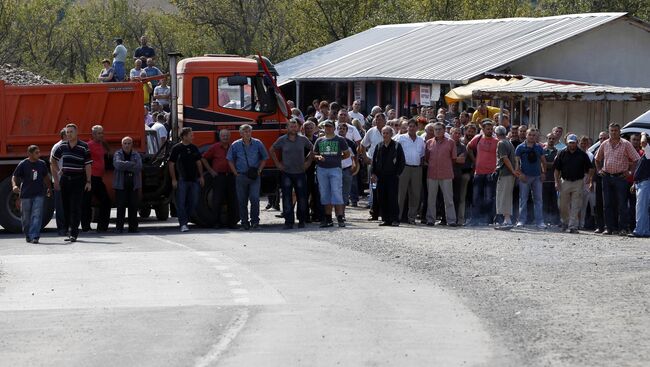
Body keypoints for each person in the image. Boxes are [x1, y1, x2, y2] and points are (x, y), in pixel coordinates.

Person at [595, 123, 641, 235]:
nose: (614, 132)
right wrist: (599, 170)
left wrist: (630, 172)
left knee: (622, 204)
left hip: (621, 177)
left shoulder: (626, 144)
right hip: (606, 176)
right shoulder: (604, 144)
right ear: (609, 131)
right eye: (612, 130)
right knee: (607, 204)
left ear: (620, 131)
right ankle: (609, 228)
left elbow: (636, 159)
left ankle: (623, 228)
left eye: (616, 130)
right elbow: (597, 158)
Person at [51, 124, 92, 242]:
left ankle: (74, 233)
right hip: (65, 180)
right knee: (66, 207)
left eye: (71, 132)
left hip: (78, 179)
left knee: (76, 207)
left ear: (76, 132)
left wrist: (88, 181)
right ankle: (69, 230)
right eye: (67, 132)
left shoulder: (84, 146)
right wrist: (59, 172)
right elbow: (53, 159)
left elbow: (88, 164)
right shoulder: (62, 146)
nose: (69, 134)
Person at [270, 119, 313, 229]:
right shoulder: (282, 140)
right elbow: (272, 150)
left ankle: (302, 220)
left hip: (300, 172)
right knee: (287, 198)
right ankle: (289, 221)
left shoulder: (303, 139)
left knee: (302, 198)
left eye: (295, 126)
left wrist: (308, 162)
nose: (293, 128)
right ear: (287, 128)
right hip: (287, 173)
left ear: (298, 128)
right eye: (291, 126)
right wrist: (278, 164)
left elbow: (313, 148)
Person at [227, 124, 268, 230]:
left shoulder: (258, 143)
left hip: (254, 176)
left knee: (255, 199)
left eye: (249, 131)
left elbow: (265, 157)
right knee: (242, 200)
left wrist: (259, 170)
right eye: (245, 131)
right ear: (240, 133)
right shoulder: (235, 145)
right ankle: (244, 223)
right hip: (241, 176)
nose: (247, 133)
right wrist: (235, 172)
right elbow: (229, 159)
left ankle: (255, 222)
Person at [313, 120, 350, 228]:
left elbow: (347, 154)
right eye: (326, 127)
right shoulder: (319, 140)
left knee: (336, 192)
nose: (327, 128)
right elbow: (314, 155)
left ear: (334, 128)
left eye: (329, 126)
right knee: (325, 193)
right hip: (322, 169)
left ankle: (340, 217)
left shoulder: (340, 140)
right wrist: (318, 157)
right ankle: (328, 219)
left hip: (335, 169)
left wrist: (337, 159)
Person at [554, 134, 594, 233]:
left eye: (574, 142)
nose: (572, 144)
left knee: (576, 205)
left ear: (576, 143)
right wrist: (556, 181)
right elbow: (557, 170)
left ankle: (573, 226)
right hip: (565, 181)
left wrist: (589, 177)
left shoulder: (582, 154)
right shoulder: (561, 153)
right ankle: (565, 222)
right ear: (567, 143)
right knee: (562, 205)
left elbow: (591, 168)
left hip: (578, 182)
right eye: (570, 142)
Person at [12, 145, 51, 243]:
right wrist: (14, 186)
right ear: (29, 154)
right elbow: (14, 176)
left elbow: (46, 177)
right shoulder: (23, 164)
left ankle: (35, 236)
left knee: (37, 215)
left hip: (39, 194)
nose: (39, 154)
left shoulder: (41, 164)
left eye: (39, 152)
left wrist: (49, 188)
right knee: (26, 217)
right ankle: (28, 234)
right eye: (36, 153)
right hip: (26, 194)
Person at [169, 127, 205, 232]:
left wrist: (201, 176)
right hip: (182, 180)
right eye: (190, 135)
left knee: (193, 202)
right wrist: (173, 179)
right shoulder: (176, 148)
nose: (192, 137)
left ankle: (186, 220)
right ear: (184, 136)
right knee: (181, 203)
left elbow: (198, 162)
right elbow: (171, 164)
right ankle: (183, 224)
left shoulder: (194, 147)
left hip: (194, 179)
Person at [201, 130, 238, 229]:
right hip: (219, 177)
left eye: (227, 135)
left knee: (232, 200)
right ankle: (216, 223)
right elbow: (203, 158)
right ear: (219, 137)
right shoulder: (215, 147)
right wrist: (211, 171)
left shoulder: (233, 147)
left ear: (230, 136)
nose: (225, 137)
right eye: (223, 136)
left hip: (231, 176)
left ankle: (232, 223)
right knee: (217, 200)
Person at [371, 126, 405, 226]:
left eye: (387, 133)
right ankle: (386, 219)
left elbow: (401, 161)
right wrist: (373, 173)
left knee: (392, 198)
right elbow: (374, 161)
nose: (385, 135)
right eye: (383, 133)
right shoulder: (379, 146)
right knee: (381, 197)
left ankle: (395, 219)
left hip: (392, 177)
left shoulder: (396, 146)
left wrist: (397, 173)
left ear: (391, 134)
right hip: (380, 177)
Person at [467, 119, 499, 225]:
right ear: (483, 129)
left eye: (491, 129)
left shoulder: (497, 141)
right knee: (476, 197)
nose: (489, 131)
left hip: (491, 172)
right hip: (479, 172)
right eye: (487, 129)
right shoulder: (478, 138)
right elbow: (469, 148)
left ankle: (488, 219)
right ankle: (474, 219)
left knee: (489, 198)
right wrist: (474, 160)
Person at [425, 122, 457, 226]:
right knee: (431, 199)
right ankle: (430, 220)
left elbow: (453, 159)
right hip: (432, 174)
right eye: (436, 129)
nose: (438, 131)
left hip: (446, 174)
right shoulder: (429, 142)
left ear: (444, 130)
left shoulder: (451, 142)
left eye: (440, 129)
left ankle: (451, 220)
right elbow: (426, 158)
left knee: (448, 200)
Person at [515, 128, 547, 229]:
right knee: (523, 200)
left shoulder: (539, 148)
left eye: (534, 135)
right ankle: (521, 221)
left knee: (538, 200)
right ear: (526, 135)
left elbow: (543, 161)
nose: (532, 137)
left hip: (537, 177)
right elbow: (516, 163)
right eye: (530, 135)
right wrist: (520, 174)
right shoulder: (520, 148)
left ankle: (540, 221)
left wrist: (543, 173)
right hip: (525, 176)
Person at [81, 125, 112, 232]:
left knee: (106, 201)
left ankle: (102, 227)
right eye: (99, 133)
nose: (101, 135)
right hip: (91, 177)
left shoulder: (101, 144)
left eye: (102, 133)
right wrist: (87, 179)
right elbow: (84, 161)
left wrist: (104, 142)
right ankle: (85, 226)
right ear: (93, 134)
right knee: (87, 202)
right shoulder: (88, 145)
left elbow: (108, 151)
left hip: (99, 178)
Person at [397, 119, 425, 225]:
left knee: (415, 194)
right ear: (407, 127)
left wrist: (420, 167)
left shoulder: (420, 140)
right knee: (401, 194)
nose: (412, 128)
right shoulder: (401, 138)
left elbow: (422, 155)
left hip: (417, 169)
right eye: (410, 126)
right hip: (404, 168)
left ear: (417, 128)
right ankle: (397, 217)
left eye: (414, 126)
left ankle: (412, 217)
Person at [113, 136, 142, 233]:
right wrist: (131, 164)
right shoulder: (117, 153)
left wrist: (125, 165)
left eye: (129, 143)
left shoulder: (136, 154)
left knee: (133, 206)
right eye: (125, 143)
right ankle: (119, 228)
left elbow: (139, 167)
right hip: (120, 184)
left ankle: (133, 228)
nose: (127, 145)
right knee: (120, 206)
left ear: (132, 144)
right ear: (122, 145)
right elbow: (117, 165)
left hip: (133, 184)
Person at [360, 112, 386, 220]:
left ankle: (384, 212)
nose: (377, 120)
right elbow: (362, 145)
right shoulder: (371, 131)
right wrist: (365, 157)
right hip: (373, 164)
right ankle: (373, 211)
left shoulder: (389, 130)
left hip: (386, 164)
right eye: (376, 118)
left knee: (384, 188)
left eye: (379, 119)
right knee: (373, 187)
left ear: (385, 120)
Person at [494, 126, 518, 229]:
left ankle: (507, 220)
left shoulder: (501, 143)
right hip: (509, 173)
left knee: (504, 196)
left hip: (505, 173)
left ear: (496, 133)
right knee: (506, 196)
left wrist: (512, 170)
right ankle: (506, 219)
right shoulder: (509, 142)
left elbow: (505, 159)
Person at [630, 133, 649, 237]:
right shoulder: (646, 153)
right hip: (641, 182)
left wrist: (643, 134)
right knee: (644, 208)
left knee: (641, 208)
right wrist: (634, 183)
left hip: (645, 183)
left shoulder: (648, 151)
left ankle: (639, 230)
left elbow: (643, 142)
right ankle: (645, 231)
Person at [337, 123, 359, 209]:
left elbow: (355, 156)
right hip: (335, 169)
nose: (341, 130)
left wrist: (354, 167)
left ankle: (342, 214)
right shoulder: (333, 141)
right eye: (340, 128)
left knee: (345, 193)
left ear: (346, 131)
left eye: (343, 129)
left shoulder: (351, 143)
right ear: (337, 130)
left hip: (347, 169)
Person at [50, 129, 67, 235]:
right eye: (68, 133)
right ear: (63, 136)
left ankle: (69, 227)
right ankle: (61, 228)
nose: (71, 135)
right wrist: (56, 181)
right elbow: (52, 164)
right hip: (60, 180)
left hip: (70, 180)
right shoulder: (57, 147)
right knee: (60, 206)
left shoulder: (71, 146)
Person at [542, 133, 560, 225]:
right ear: (547, 139)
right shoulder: (542, 151)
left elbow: (558, 165)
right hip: (544, 180)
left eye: (553, 139)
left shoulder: (558, 152)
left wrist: (547, 164)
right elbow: (541, 164)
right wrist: (551, 164)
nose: (551, 140)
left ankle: (555, 221)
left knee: (554, 202)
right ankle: (544, 220)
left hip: (554, 180)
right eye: (550, 138)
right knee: (544, 201)